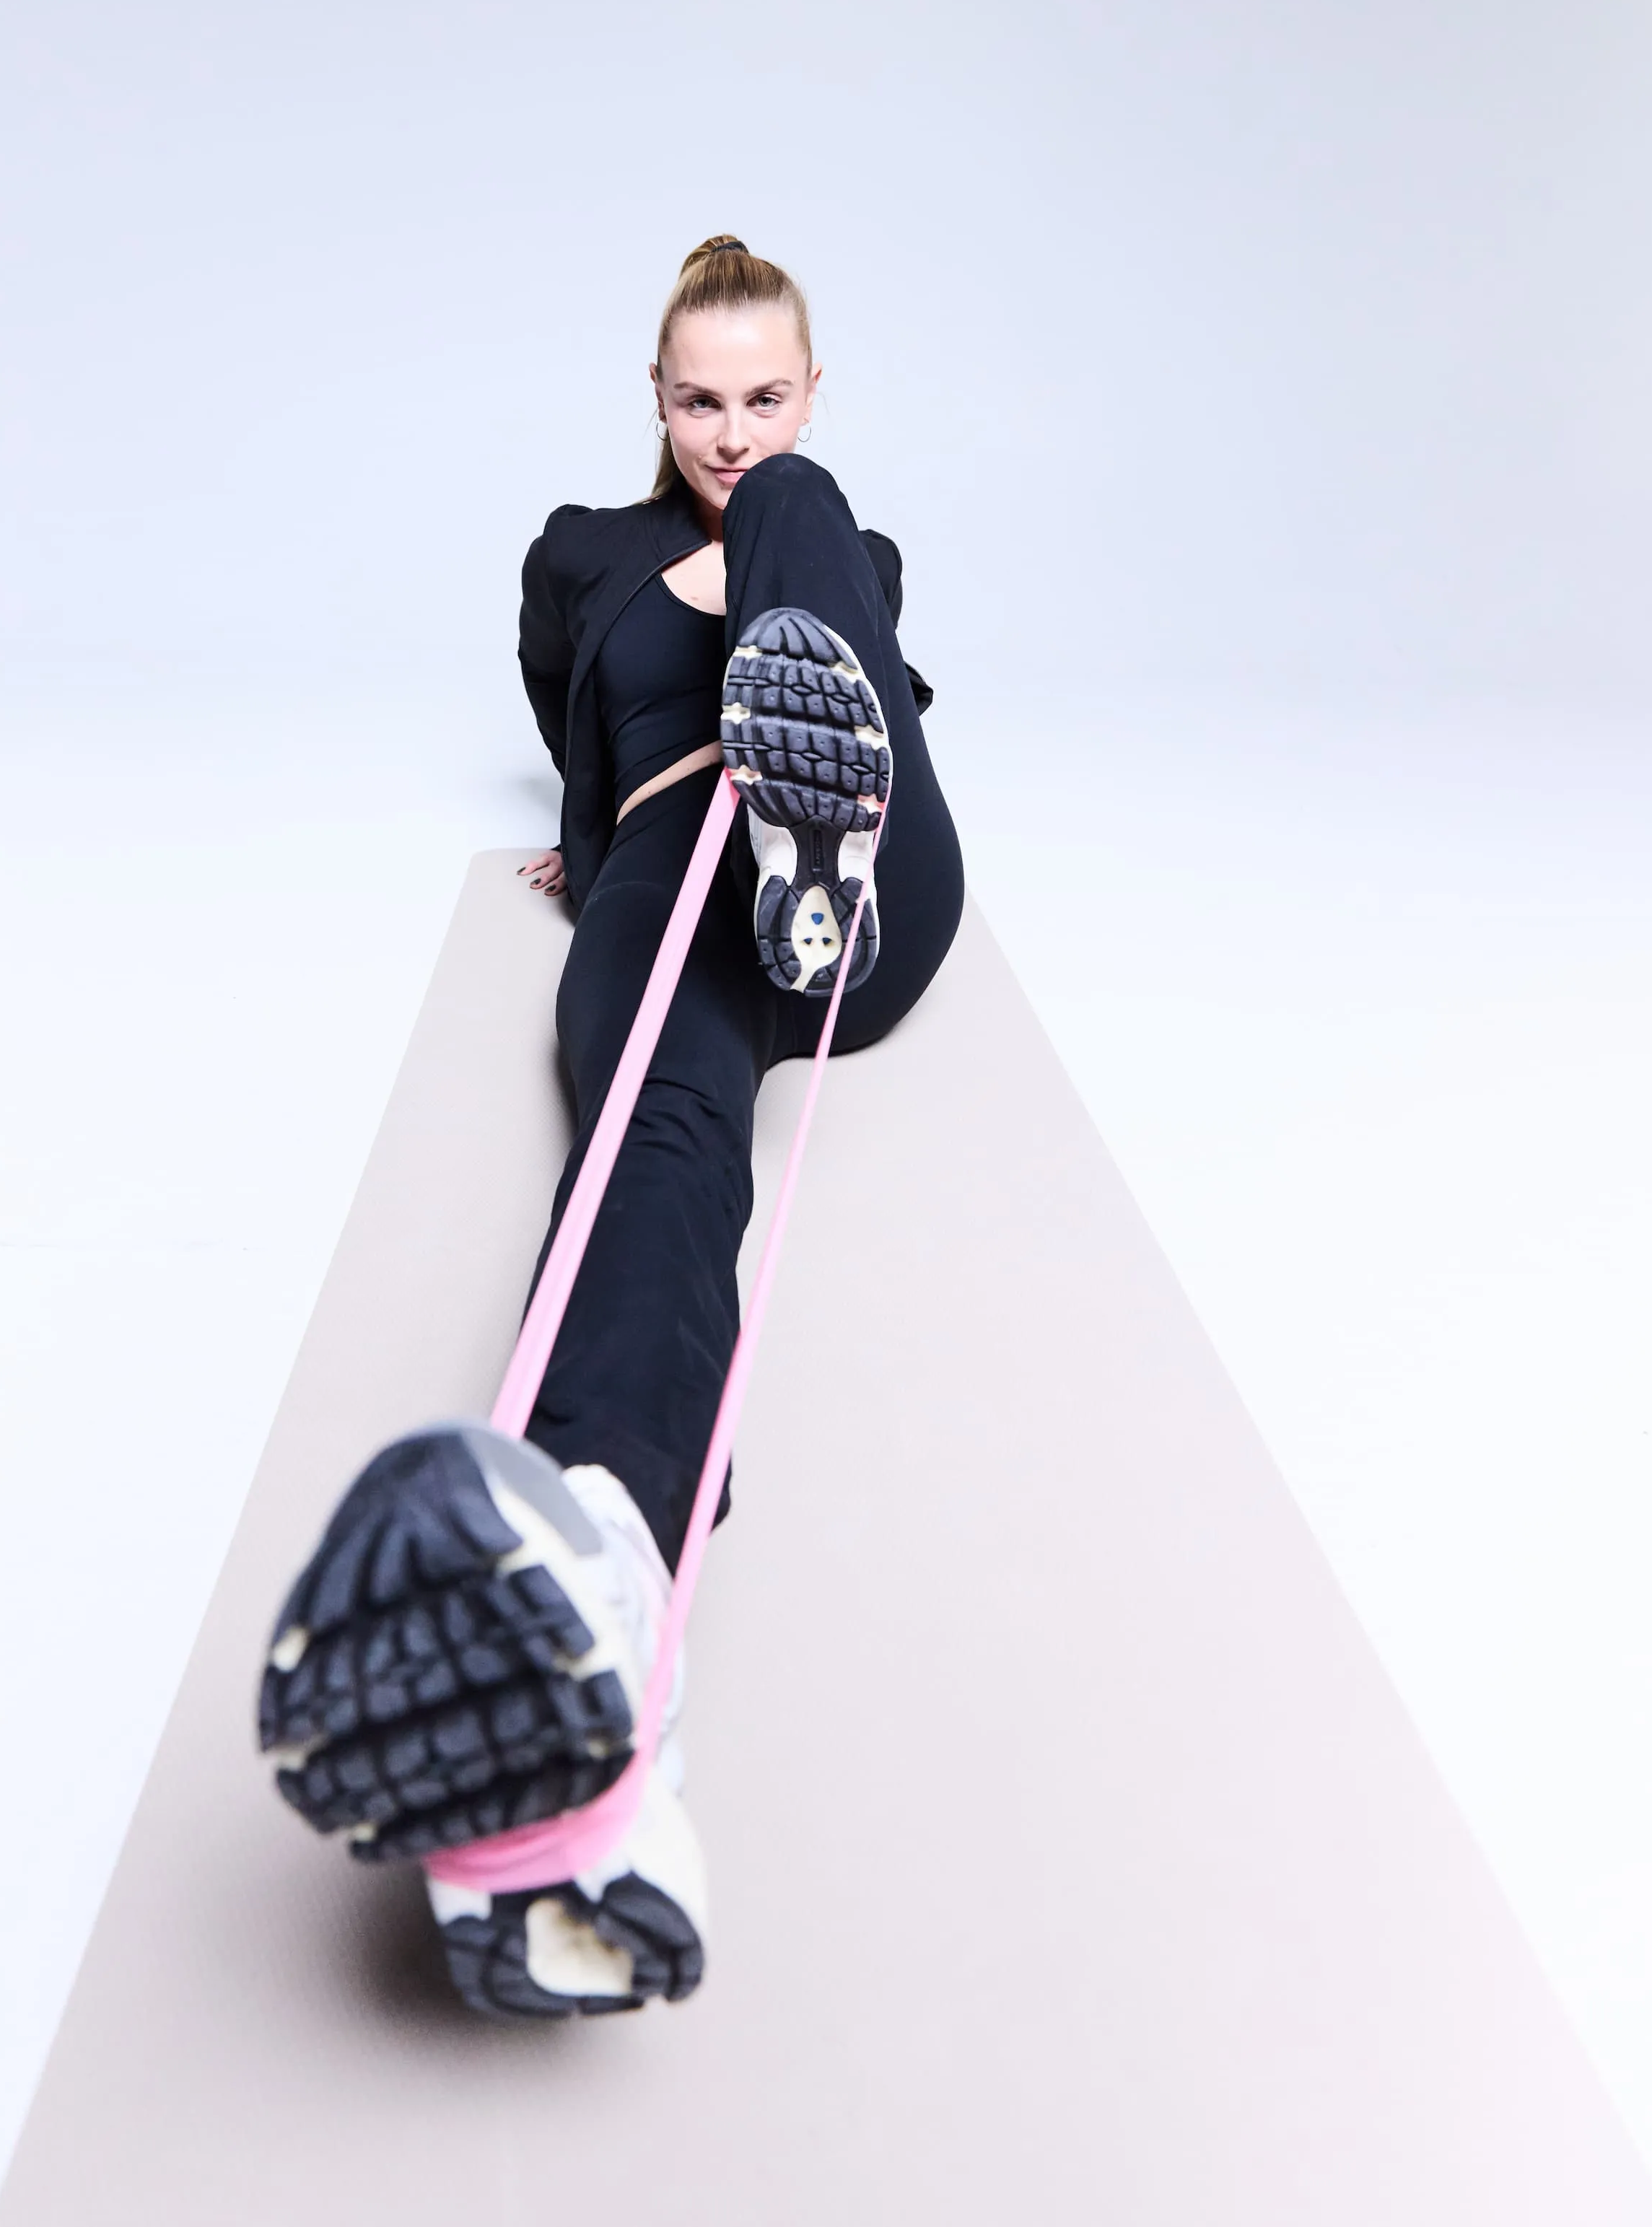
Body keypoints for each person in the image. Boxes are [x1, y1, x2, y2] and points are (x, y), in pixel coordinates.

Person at [258, 237, 964, 2017]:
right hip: (666, 866)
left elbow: (855, 617)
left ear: (813, 389)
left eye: (768, 396)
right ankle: (596, 1569)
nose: (736, 433)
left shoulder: (835, 529)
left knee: (818, 573)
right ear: (653, 399)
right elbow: (561, 693)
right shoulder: (585, 553)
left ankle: (825, 837)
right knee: (653, 1153)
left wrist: (786, 635)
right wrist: (596, 818)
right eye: (704, 400)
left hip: (857, 872)